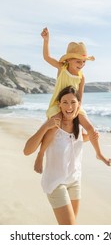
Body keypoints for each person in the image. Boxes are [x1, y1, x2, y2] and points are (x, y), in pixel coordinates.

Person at [34, 27, 111, 173]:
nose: (81, 64)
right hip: (58, 105)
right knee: (55, 124)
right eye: (78, 61)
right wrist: (46, 41)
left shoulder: (82, 77)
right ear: (68, 60)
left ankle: (99, 154)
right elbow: (46, 57)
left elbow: (80, 98)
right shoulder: (61, 68)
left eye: (83, 62)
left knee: (91, 129)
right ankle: (40, 154)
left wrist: (76, 111)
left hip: (75, 106)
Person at [23, 86, 98, 225]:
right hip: (56, 182)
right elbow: (27, 151)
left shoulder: (79, 125)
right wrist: (45, 126)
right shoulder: (53, 125)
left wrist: (91, 136)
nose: (69, 106)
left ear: (79, 105)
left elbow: (76, 140)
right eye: (65, 102)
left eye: (73, 102)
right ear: (59, 104)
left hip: (75, 181)